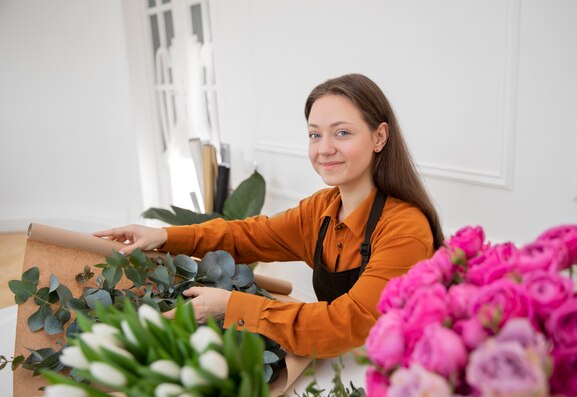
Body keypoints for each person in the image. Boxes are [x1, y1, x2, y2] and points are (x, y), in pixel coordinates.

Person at [95, 73, 443, 358]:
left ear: (379, 136)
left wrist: (233, 305)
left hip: (396, 381)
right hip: (338, 367)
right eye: (314, 135)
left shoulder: (405, 228)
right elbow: (249, 236)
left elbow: (348, 323)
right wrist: (165, 237)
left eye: (342, 133)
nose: (324, 148)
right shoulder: (321, 209)